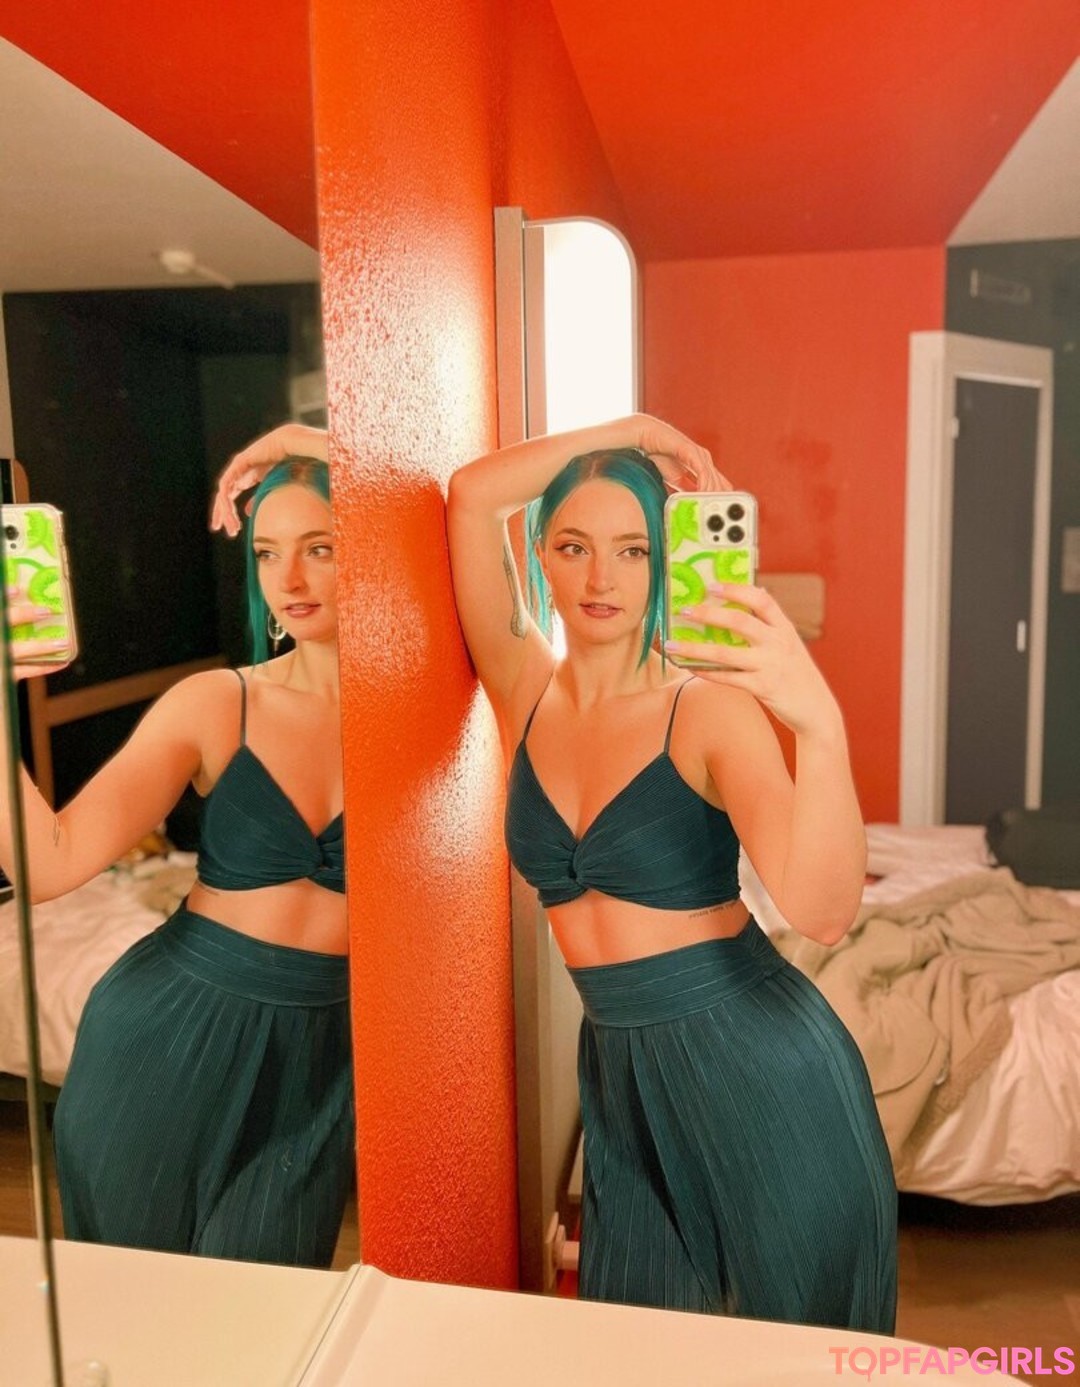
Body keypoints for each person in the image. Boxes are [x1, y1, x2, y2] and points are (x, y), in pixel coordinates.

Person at [214, 416, 897, 1330]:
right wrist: (634, 429)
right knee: (632, 1346)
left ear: (665, 562)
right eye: (574, 546)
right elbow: (469, 497)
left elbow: (822, 911)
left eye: (633, 550)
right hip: (619, 1073)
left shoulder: (708, 710)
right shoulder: (525, 686)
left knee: (794, 1352)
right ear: (538, 553)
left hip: (757, 1060)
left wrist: (818, 723)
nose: (601, 578)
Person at [0, 453, 352, 1268]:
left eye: (321, 547)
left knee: (266, 1315)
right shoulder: (217, 702)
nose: (289, 577)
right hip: (168, 1032)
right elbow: (49, 865)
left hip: (315, 1054)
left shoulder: (426, 707)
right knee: (141, 1307)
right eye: (266, 551)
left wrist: (305, 438)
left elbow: (454, 518)